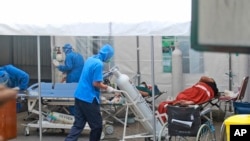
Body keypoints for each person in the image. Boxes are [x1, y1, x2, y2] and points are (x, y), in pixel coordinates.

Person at [65, 44, 117, 141]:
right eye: (110, 57)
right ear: (108, 55)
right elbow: (96, 83)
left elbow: (90, 75)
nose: (110, 59)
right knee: (97, 126)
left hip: (79, 96)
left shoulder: (90, 59)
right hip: (88, 98)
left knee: (78, 125)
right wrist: (107, 87)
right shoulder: (99, 64)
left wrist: (103, 76)